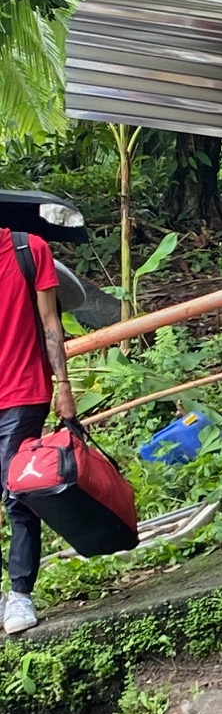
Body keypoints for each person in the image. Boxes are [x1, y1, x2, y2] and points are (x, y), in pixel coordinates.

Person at [0, 227, 77, 636]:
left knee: (16, 494)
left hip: (22, 393)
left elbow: (51, 322)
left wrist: (63, 386)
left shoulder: (28, 249)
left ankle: (20, 593)